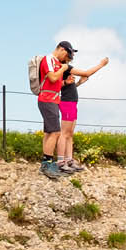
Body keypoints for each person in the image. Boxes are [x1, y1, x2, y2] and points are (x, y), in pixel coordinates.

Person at [58, 51, 109, 173]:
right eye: (71, 53)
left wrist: (80, 82)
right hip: (67, 103)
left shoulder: (64, 69)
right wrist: (101, 64)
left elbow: (68, 87)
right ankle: (61, 162)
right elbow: (87, 72)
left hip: (71, 103)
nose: (72, 56)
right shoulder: (65, 67)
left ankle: (69, 160)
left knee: (70, 134)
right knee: (64, 133)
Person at [35, 41, 73, 179]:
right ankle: (47, 164)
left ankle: (46, 162)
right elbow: (52, 76)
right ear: (61, 49)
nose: (67, 58)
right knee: (56, 132)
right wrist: (63, 69)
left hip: (52, 100)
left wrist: (65, 83)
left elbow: (54, 82)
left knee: (49, 132)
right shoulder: (49, 59)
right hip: (47, 100)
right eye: (67, 54)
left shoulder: (55, 62)